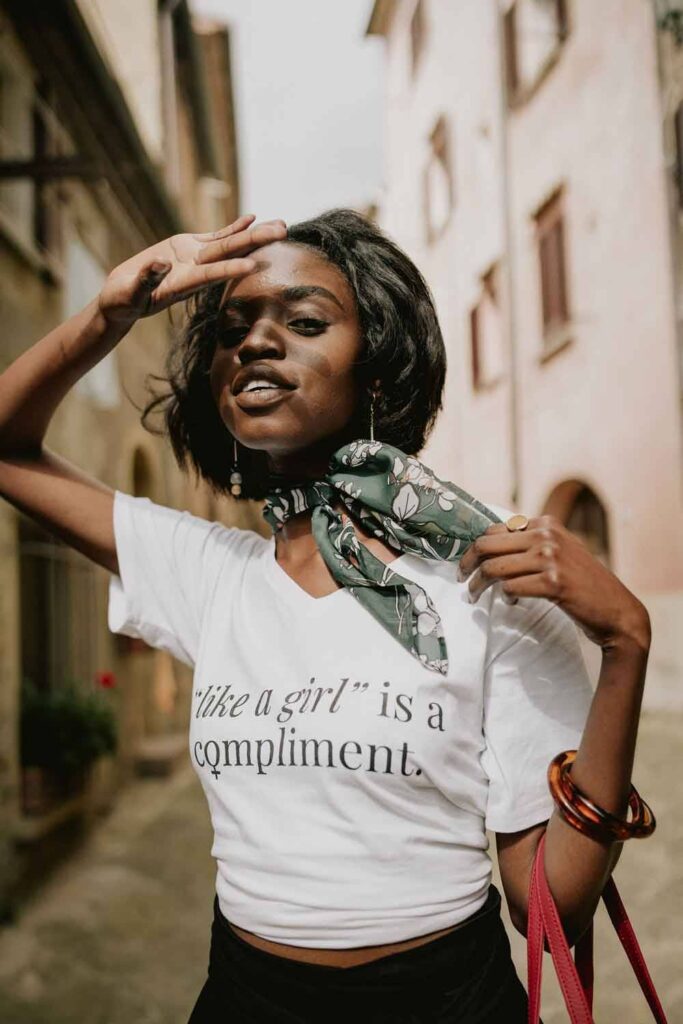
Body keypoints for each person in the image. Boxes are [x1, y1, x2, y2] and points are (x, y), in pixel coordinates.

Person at [0, 209, 652, 1023]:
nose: (255, 343)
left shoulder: (492, 576)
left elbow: (546, 902)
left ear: (376, 373)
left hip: (443, 999)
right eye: (232, 330)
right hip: (244, 997)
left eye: (304, 322)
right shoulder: (211, 572)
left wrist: (625, 643)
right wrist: (110, 315)